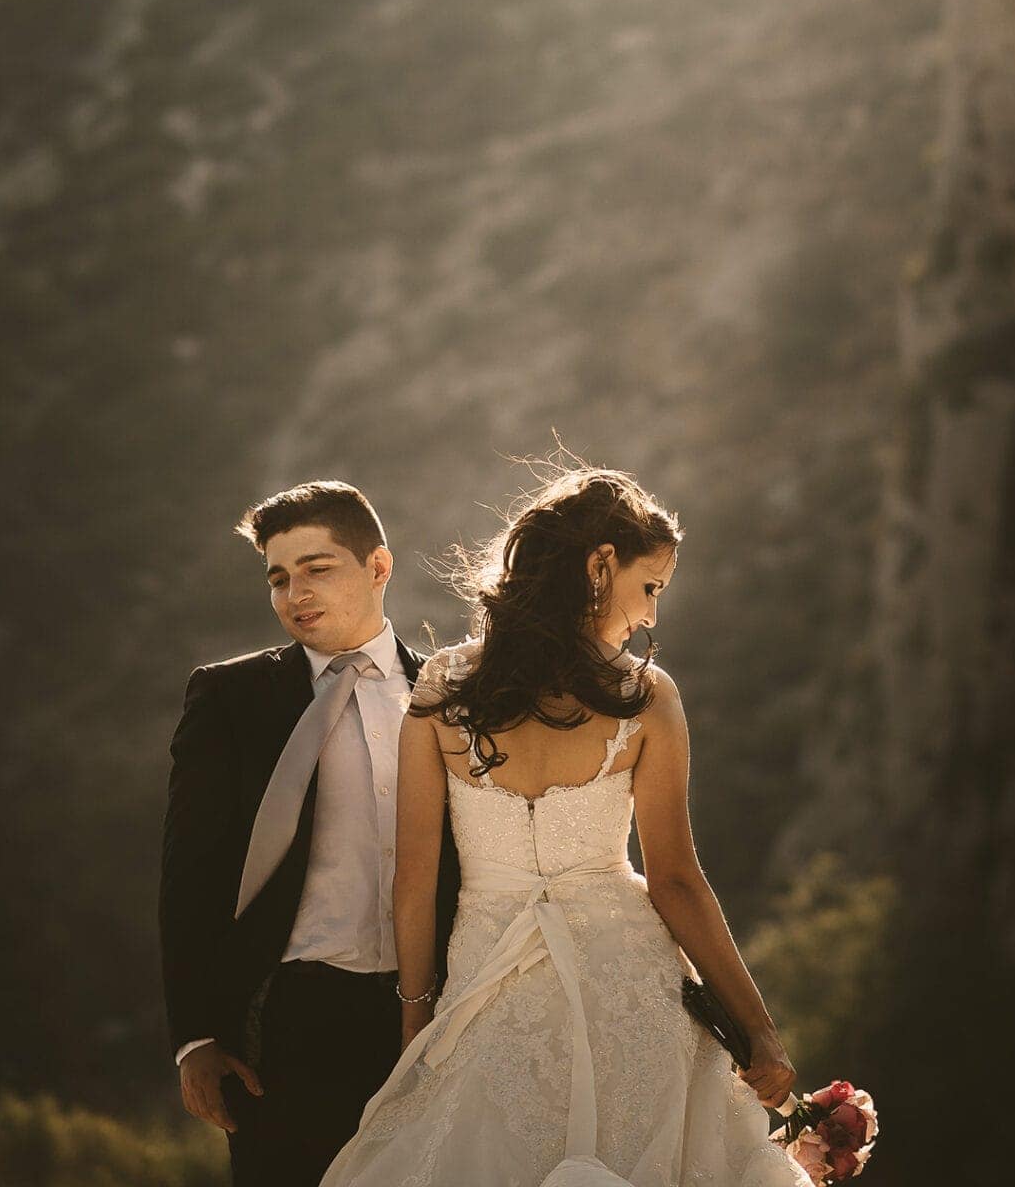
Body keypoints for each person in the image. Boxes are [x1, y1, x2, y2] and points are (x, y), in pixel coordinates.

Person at [318, 463, 809, 1187]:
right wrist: (758, 1029)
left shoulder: (442, 688)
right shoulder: (646, 696)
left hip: (487, 993)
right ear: (600, 565)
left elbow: (413, 879)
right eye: (651, 587)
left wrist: (417, 1023)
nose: (651, 616)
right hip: (632, 989)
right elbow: (675, 881)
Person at [159, 480, 460, 1187]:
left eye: (317, 569)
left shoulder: (452, 693)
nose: (295, 594)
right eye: (278, 578)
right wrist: (195, 1036)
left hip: (442, 1012)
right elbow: (190, 872)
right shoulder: (230, 697)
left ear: (378, 567)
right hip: (288, 1017)